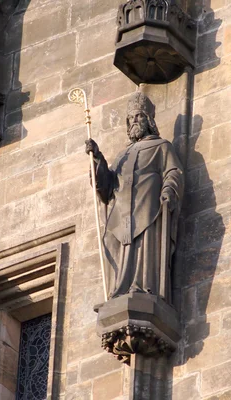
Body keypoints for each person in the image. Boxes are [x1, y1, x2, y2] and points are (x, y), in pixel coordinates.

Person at [85, 92, 184, 303]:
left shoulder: (161, 146)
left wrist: (168, 191)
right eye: (131, 118)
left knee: (145, 244)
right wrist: (97, 159)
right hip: (121, 211)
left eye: (139, 116)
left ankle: (146, 287)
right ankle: (119, 290)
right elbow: (107, 187)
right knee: (112, 240)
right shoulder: (123, 155)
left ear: (149, 120)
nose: (134, 121)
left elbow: (173, 172)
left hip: (147, 205)